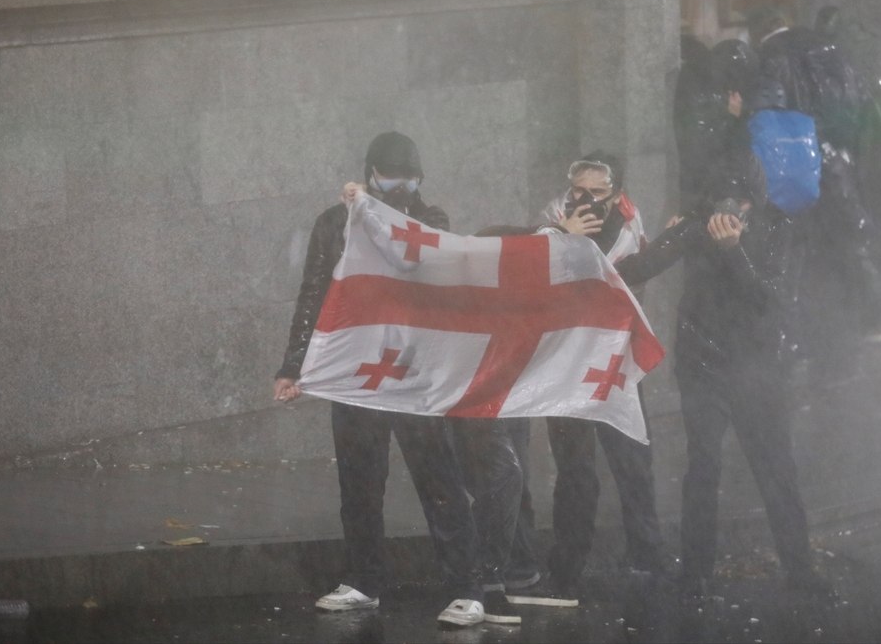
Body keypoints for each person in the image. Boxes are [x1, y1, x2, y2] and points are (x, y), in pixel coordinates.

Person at [274, 131, 519, 628]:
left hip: (414, 372)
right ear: (369, 174)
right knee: (360, 481)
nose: (401, 185)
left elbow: (425, 268)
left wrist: (375, 216)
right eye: (391, 176)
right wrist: (293, 365)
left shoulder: (431, 221)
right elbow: (314, 296)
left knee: (438, 479)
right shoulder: (333, 223)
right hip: (355, 372)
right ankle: (366, 580)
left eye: (410, 177)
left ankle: (466, 587)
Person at [612, 126, 832, 600]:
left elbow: (771, 300)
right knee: (703, 467)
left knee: (775, 467)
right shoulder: (699, 225)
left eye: (741, 202)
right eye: (723, 201)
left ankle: (801, 572)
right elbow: (637, 269)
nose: (731, 213)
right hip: (704, 364)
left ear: (756, 199)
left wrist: (734, 254)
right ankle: (696, 575)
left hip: (759, 366)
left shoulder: (779, 231)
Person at [498, 152, 672, 609]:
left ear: (616, 195)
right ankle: (566, 573)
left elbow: (630, 275)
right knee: (575, 472)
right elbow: (529, 262)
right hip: (569, 362)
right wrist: (561, 235)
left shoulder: (631, 223)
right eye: (580, 189)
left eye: (598, 192)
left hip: (613, 358)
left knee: (633, 459)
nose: (587, 200)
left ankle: (648, 559)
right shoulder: (553, 220)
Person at [747, 5, 880, 388]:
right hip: (841, 175)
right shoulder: (834, 50)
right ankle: (839, 359)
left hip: (797, 182)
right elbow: (859, 107)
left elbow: (765, 121)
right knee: (835, 268)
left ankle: (792, 358)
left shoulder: (772, 58)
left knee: (794, 268)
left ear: (759, 32)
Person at [815, 5, 881, 343]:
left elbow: (846, 118)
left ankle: (878, 321)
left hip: (869, 166)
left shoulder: (849, 63)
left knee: (870, 241)